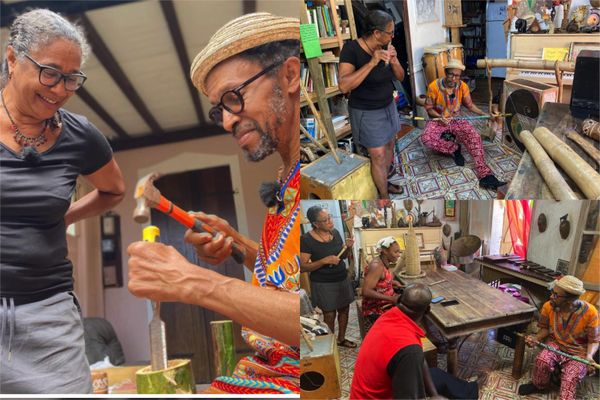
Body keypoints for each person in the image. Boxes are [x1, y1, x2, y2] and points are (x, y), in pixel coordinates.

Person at [127, 12, 300, 395]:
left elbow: (313, 319)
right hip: (262, 368)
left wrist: (191, 281)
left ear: (290, 75)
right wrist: (239, 245)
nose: (225, 121)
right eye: (218, 109)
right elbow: (288, 278)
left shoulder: (318, 182)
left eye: (233, 98)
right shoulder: (285, 179)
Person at [0, 9, 125, 394]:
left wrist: (68, 215)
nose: (60, 90)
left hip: (48, 314)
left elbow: (114, 190)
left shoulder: (79, 136)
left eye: (72, 79)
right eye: (50, 72)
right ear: (12, 59)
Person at [350, 283, 481, 399]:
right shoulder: (409, 349)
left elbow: (421, 361)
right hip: (381, 395)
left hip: (369, 391)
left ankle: (471, 392)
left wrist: (434, 395)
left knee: (437, 374)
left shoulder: (391, 316)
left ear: (400, 300)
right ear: (427, 310)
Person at [339, 10, 405, 199]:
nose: (393, 36)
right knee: (377, 154)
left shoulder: (387, 47)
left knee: (390, 143)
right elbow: (344, 86)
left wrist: (394, 61)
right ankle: (383, 196)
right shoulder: (351, 50)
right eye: (390, 32)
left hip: (388, 106)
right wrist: (371, 63)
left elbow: (400, 76)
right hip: (366, 111)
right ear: (377, 33)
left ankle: (384, 181)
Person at [421, 59, 506, 190]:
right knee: (427, 138)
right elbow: (429, 108)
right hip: (438, 120)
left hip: (456, 119)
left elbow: (470, 105)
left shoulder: (462, 86)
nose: (454, 78)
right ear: (445, 72)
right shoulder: (434, 86)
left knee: (474, 137)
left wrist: (485, 113)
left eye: (457, 76)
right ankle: (454, 148)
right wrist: (440, 116)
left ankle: (485, 176)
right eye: (451, 74)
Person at [518, 275, 599, 400]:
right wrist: (536, 338)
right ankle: (539, 385)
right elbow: (544, 328)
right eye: (552, 292)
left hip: (579, 352)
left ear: (570, 300)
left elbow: (594, 340)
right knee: (542, 361)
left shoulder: (591, 312)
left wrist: (589, 356)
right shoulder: (548, 306)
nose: (551, 296)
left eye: (556, 295)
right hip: (556, 344)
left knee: (570, 378)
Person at [300, 206, 356, 348]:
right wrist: (324, 261)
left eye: (329, 217)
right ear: (315, 224)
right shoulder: (306, 240)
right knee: (329, 315)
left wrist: (348, 248)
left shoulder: (335, 233)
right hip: (323, 283)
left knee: (344, 310)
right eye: (325, 220)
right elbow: (302, 267)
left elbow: (341, 256)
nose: (330, 221)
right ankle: (329, 345)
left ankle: (341, 339)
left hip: (341, 278)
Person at [362, 236, 403, 333]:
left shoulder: (384, 262)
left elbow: (378, 281)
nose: (398, 255)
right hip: (375, 311)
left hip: (383, 306)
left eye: (399, 252)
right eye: (396, 252)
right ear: (385, 251)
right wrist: (391, 299)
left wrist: (392, 283)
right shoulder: (377, 266)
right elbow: (366, 291)